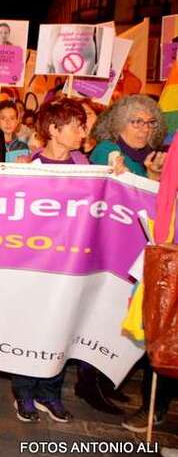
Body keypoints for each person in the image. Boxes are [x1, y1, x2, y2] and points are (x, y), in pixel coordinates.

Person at [88, 95, 171, 433]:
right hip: (108, 249)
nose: (143, 128)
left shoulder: (156, 159)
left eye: (149, 122)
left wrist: (152, 173)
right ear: (119, 123)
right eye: (135, 121)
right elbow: (105, 169)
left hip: (141, 251)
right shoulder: (108, 149)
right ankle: (90, 380)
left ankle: (108, 379)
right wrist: (117, 167)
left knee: (123, 317)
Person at [11, 99, 90, 424]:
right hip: (35, 268)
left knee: (61, 329)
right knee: (29, 329)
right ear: (55, 130)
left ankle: (50, 392)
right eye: (77, 125)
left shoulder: (88, 169)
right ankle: (24, 391)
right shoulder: (29, 168)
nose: (83, 131)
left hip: (70, 270)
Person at [90, 94, 166, 181]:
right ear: (119, 124)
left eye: (151, 122)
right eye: (137, 122)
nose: (146, 129)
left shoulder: (152, 156)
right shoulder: (107, 151)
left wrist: (154, 175)